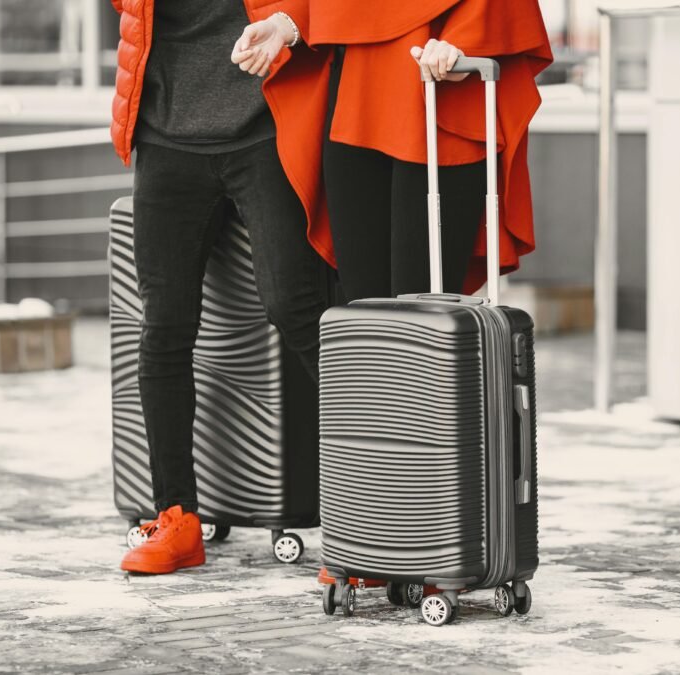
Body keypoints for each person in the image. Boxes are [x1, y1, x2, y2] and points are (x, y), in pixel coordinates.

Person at [109, 0, 327, 574]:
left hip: (265, 129)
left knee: (296, 304)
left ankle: (379, 502)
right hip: (166, 135)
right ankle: (176, 518)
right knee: (163, 328)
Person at [231, 1, 553, 301]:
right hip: (354, 97)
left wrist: (468, 39)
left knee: (423, 314)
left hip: (438, 97)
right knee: (364, 311)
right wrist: (291, 21)